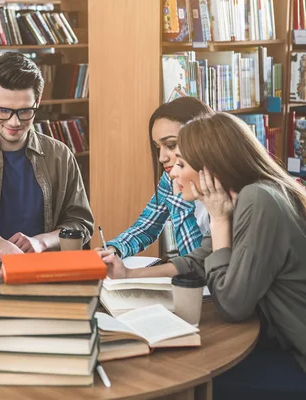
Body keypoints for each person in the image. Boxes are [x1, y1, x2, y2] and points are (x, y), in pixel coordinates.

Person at [101, 112, 306, 399]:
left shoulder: (257, 200)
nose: (171, 171)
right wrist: (129, 274)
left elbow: (233, 305)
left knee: (184, 380)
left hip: (297, 362)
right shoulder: (247, 193)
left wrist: (219, 220)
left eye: (181, 164)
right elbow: (198, 260)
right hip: (281, 343)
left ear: (212, 170)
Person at [0, 52, 93, 261]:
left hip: (47, 268)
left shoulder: (60, 155)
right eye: (3, 110)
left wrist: (41, 242)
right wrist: (7, 253)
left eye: (25, 111)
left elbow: (80, 224)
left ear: (38, 101)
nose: (14, 122)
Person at [105, 97, 214, 258]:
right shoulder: (170, 179)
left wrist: (180, 205)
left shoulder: (225, 188)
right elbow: (146, 226)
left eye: (170, 145)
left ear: (201, 139)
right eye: (158, 147)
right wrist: (113, 251)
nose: (162, 157)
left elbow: (198, 265)